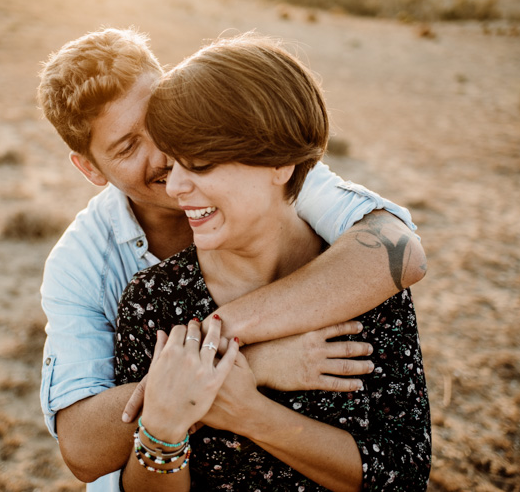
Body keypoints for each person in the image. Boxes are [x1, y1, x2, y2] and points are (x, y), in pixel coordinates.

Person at [37, 28, 427, 491]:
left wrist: (210, 343)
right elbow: (83, 449)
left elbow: (395, 251)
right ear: (89, 168)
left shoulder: (259, 165)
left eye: (159, 121)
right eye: (127, 147)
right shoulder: (95, 272)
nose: (165, 156)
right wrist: (245, 366)